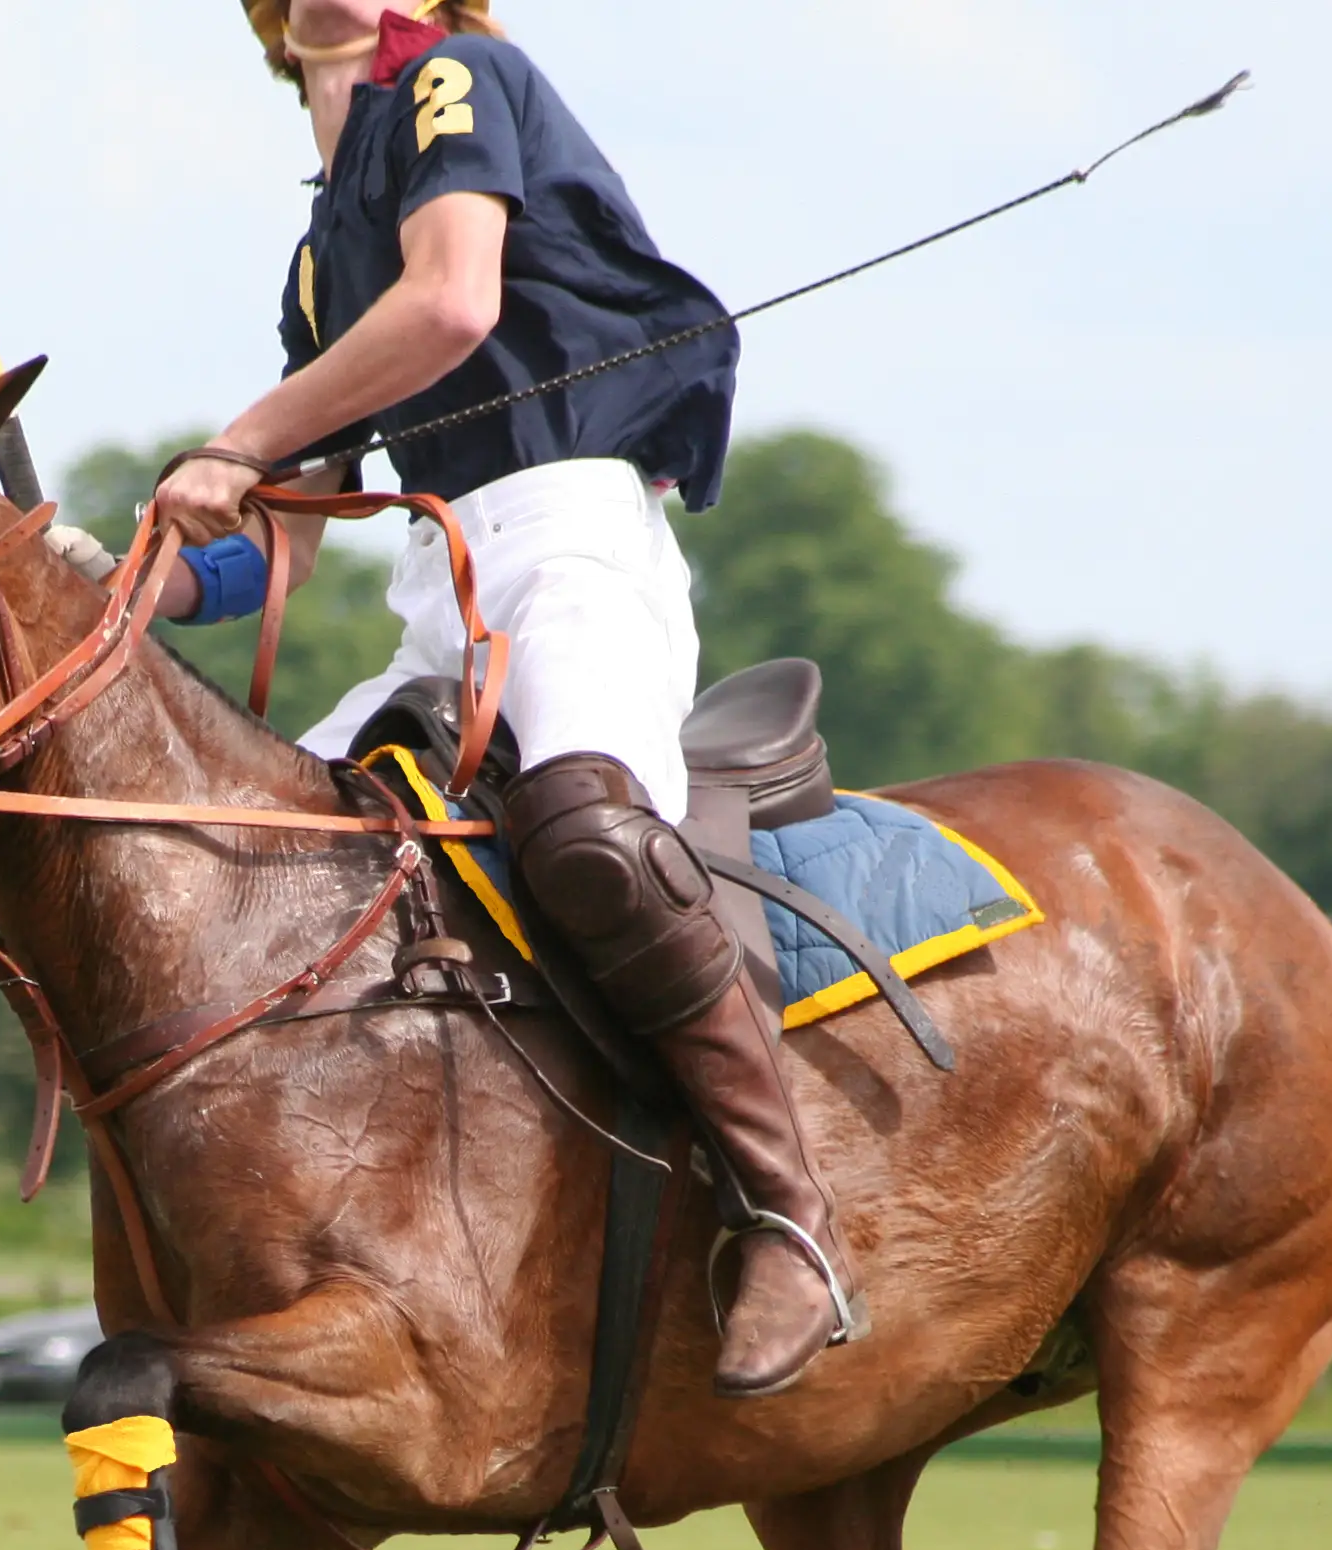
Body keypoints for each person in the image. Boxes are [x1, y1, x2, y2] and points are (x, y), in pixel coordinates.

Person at [143, 0, 855, 1395]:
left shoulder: (463, 79)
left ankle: (789, 1216)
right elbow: (283, 535)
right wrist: (112, 584)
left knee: (587, 831)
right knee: (231, 863)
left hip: (575, 550)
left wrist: (235, 440)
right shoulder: (316, 261)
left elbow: (456, 301)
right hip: (441, 598)